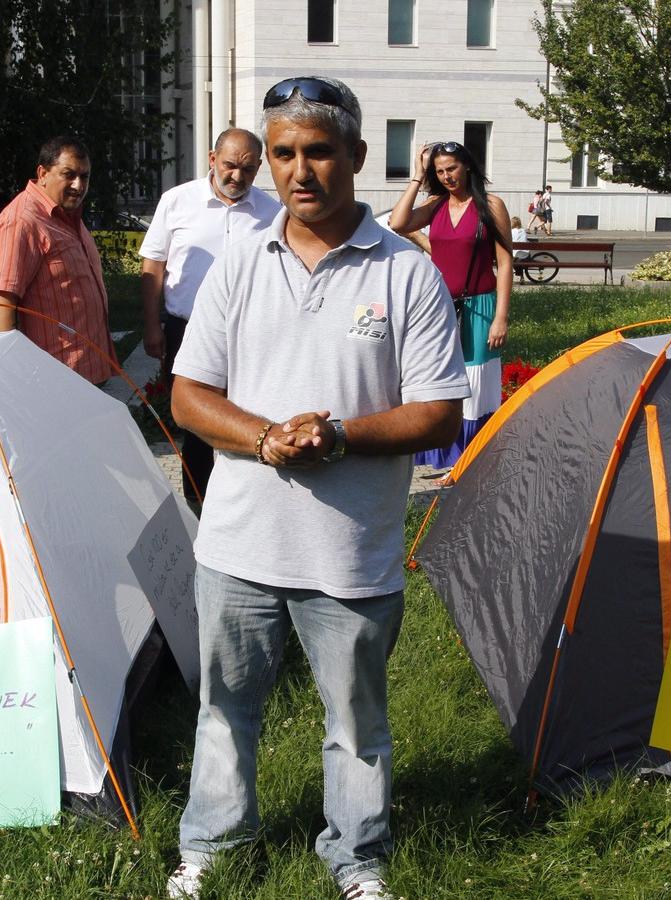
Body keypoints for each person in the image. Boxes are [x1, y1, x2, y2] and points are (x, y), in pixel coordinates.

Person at [166, 75, 467, 900]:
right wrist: (265, 438)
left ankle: (356, 857)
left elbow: (440, 413)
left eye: (319, 152)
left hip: (350, 549)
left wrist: (337, 436)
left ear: (358, 157)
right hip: (238, 540)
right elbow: (189, 395)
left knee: (357, 725)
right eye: (283, 153)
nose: (300, 171)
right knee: (225, 711)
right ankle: (215, 845)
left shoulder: (406, 274)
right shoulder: (238, 261)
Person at [139, 128, 282, 500]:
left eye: (249, 170)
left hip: (249, 333)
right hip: (186, 330)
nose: (238, 177)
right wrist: (152, 326)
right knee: (198, 419)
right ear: (212, 158)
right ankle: (198, 500)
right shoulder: (177, 201)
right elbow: (153, 266)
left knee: (246, 414)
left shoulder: (272, 212)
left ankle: (243, 496)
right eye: (231, 166)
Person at [388, 138, 513, 473]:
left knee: (475, 381)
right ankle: (443, 450)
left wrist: (501, 316)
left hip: (480, 306)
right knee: (440, 376)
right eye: (439, 171)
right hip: (441, 306)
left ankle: (471, 457)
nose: (446, 176)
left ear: (467, 165)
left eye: (451, 168)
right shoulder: (436, 205)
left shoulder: (492, 205)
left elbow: (504, 262)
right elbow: (398, 223)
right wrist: (417, 176)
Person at [0, 136, 115, 384]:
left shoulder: (66, 215)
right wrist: (14, 373)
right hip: (52, 378)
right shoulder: (22, 221)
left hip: (85, 372)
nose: (78, 185)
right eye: (69, 174)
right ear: (42, 173)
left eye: (84, 176)